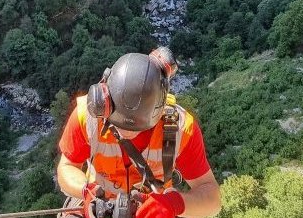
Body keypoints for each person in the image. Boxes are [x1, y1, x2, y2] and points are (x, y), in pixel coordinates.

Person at [56, 47, 221, 218]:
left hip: (152, 211)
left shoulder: (180, 129)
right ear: (104, 101)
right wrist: (86, 191)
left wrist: (175, 203)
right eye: (118, 123)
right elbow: (66, 167)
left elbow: (212, 199)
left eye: (136, 128)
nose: (125, 132)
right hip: (98, 207)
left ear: (159, 111)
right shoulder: (88, 116)